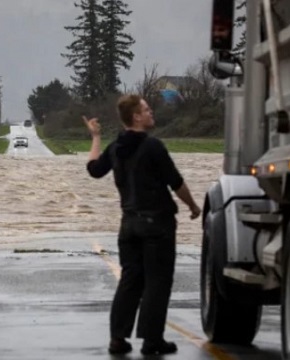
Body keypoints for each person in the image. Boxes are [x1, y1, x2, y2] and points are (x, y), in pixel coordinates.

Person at [83, 94, 201, 356]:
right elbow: (176, 182)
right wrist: (193, 206)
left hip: (129, 225)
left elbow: (93, 169)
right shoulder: (153, 147)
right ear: (136, 116)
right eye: (147, 110)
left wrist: (95, 137)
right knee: (157, 283)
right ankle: (152, 341)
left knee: (130, 281)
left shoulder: (116, 148)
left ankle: (117, 338)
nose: (151, 113)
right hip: (157, 226)